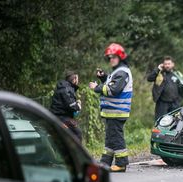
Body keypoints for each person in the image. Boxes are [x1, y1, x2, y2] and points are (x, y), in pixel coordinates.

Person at [89, 43, 133, 173]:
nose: (111, 60)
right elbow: (111, 83)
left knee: (116, 138)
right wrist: (103, 77)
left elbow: (113, 90)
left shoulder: (122, 72)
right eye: (109, 57)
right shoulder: (117, 72)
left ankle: (121, 163)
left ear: (120, 57)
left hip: (117, 112)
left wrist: (96, 88)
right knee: (110, 138)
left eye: (113, 57)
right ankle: (105, 162)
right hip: (112, 112)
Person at [146, 56, 182, 120]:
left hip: (175, 103)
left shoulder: (177, 74)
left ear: (173, 64)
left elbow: (182, 87)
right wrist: (158, 69)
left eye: (169, 64)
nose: (167, 66)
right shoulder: (159, 73)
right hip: (162, 103)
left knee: (176, 122)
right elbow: (149, 79)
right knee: (160, 122)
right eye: (165, 64)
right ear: (163, 64)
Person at [50, 71, 82, 141]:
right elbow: (71, 106)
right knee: (77, 133)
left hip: (59, 116)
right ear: (74, 79)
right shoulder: (67, 89)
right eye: (77, 79)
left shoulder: (64, 87)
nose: (78, 81)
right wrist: (78, 106)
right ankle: (77, 151)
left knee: (67, 136)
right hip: (61, 117)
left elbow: (67, 102)